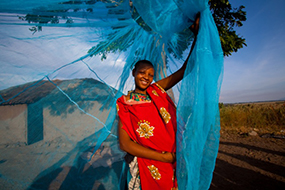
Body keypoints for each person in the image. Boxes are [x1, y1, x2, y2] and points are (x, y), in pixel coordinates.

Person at [116, 15, 200, 190]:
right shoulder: (124, 104)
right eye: (142, 73)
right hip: (148, 166)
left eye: (150, 75)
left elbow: (186, 69)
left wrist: (198, 35)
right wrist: (163, 157)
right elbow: (125, 144)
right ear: (133, 73)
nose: (146, 77)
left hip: (171, 162)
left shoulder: (156, 91)